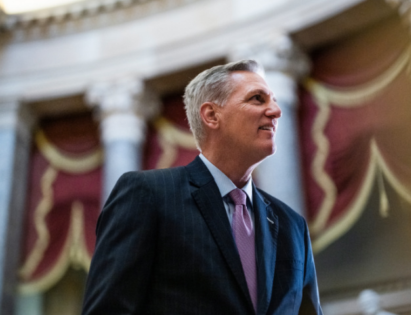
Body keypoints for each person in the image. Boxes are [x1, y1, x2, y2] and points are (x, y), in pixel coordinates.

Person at [81, 60, 323, 315]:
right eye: (257, 99)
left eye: (273, 99)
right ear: (211, 115)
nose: (276, 110)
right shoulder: (147, 195)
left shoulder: (293, 225)